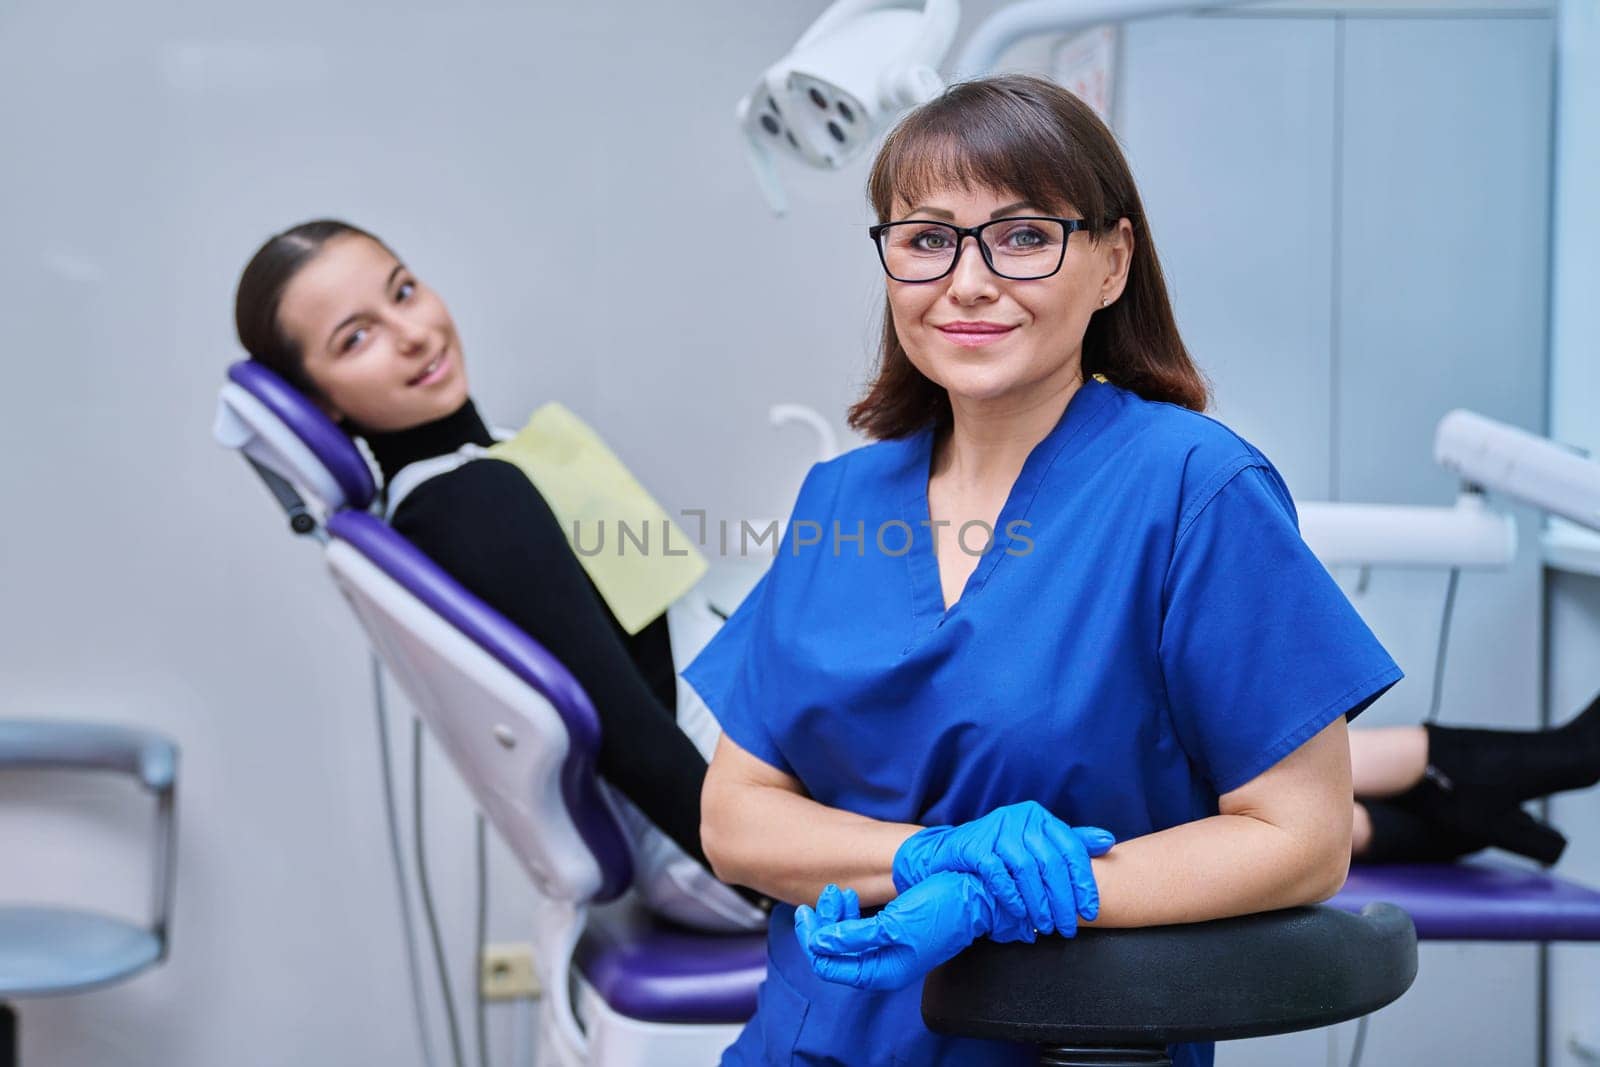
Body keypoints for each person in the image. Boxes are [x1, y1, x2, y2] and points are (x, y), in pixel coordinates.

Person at [688, 73, 1401, 1067]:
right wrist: (923, 856)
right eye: (926, 238)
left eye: (1024, 236)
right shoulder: (839, 500)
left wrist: (1000, 893)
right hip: (804, 1046)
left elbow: (1300, 836)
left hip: (1064, 1046)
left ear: (1113, 260)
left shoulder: (1192, 488)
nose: (967, 281)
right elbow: (734, 814)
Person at [232, 219, 765, 931]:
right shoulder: (468, 502)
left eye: (404, 291)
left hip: (735, 789)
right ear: (318, 401)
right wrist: (781, 878)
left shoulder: (480, 469)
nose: (414, 333)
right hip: (725, 830)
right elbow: (632, 734)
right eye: (356, 338)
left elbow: (663, 628)